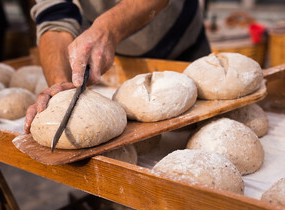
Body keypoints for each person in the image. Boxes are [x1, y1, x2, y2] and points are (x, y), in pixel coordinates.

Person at [25, 0, 211, 133]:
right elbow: (54, 18)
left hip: (182, 44)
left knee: (201, 130)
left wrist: (108, 29)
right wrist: (60, 88)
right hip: (116, 56)